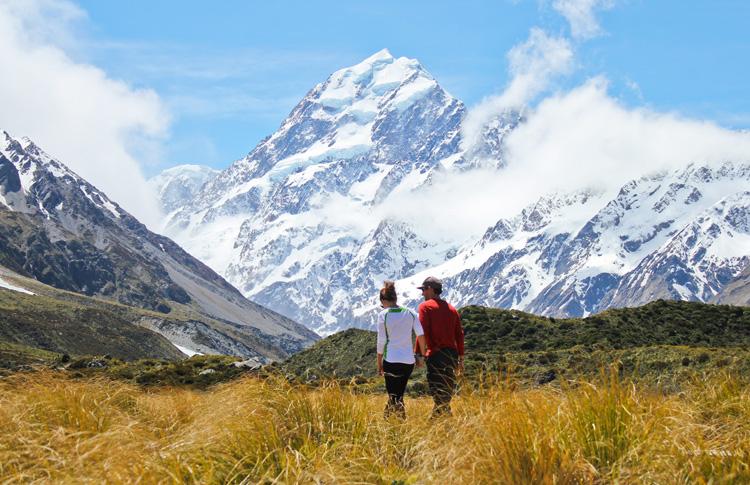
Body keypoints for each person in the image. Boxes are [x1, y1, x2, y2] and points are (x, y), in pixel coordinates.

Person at [376, 280, 427, 419]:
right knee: (398, 394)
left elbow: (381, 341)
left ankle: (392, 422)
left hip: (390, 360)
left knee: (393, 395)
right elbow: (421, 335)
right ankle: (395, 422)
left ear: (383, 300)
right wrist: (422, 356)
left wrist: (379, 362)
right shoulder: (411, 313)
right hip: (407, 362)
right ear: (395, 298)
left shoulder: (383, 315)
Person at [416, 276, 464, 417]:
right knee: (446, 388)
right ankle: (443, 419)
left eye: (424, 289)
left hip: (436, 355)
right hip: (451, 356)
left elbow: (421, 332)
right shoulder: (452, 309)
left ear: (430, 289)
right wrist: (461, 358)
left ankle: (440, 421)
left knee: (437, 389)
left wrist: (419, 354)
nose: (422, 293)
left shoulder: (425, 307)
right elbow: (459, 334)